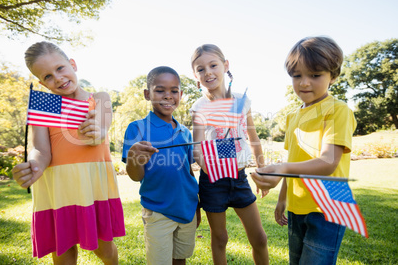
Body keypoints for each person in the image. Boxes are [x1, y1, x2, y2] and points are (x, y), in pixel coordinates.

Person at [12, 41, 125, 264]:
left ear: (72, 64)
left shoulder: (99, 98)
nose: (58, 78)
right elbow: (40, 150)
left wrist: (97, 132)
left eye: (60, 68)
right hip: (58, 187)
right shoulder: (45, 105)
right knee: (63, 252)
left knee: (105, 249)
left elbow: (101, 131)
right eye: (48, 77)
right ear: (40, 82)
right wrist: (34, 166)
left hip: (93, 185)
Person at [251, 36, 357, 265]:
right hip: (297, 206)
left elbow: (328, 163)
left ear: (333, 76)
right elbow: (293, 159)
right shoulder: (292, 116)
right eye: (297, 75)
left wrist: (280, 169)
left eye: (315, 75)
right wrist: (282, 199)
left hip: (329, 206)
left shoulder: (338, 110)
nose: (304, 83)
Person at [190, 44, 269, 265]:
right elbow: (196, 147)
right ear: (195, 75)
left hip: (240, 178)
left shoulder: (241, 102)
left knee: (260, 238)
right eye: (201, 69)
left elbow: (253, 139)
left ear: (225, 66)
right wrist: (209, 164)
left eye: (213, 65)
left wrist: (263, 173)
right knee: (220, 238)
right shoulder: (200, 107)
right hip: (213, 181)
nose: (208, 72)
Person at [122, 66, 200, 265]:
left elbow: (188, 172)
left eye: (174, 91)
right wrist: (133, 158)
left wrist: (196, 206)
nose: (168, 96)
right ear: (147, 94)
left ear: (181, 94)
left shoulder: (185, 132)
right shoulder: (137, 128)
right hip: (158, 211)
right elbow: (136, 176)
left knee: (180, 258)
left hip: (187, 207)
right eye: (160, 90)